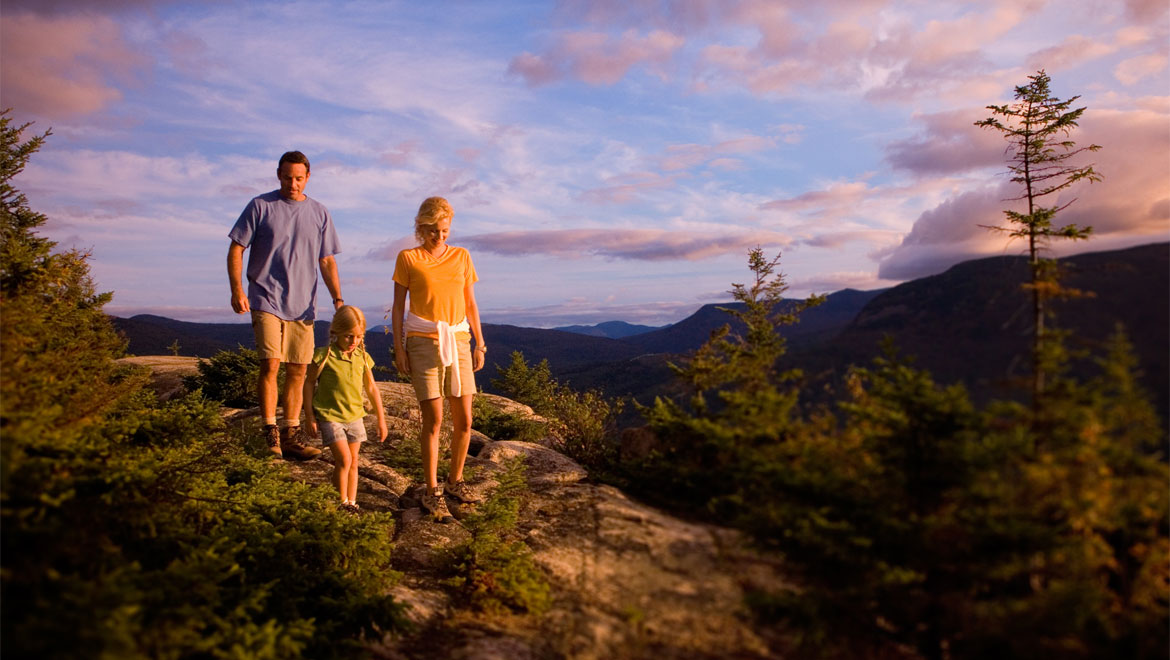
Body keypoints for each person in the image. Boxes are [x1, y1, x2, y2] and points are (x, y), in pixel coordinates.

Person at [227, 150, 342, 460]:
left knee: (298, 370)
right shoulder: (260, 206)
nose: (293, 184)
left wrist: (338, 300)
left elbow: (327, 261)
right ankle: (271, 434)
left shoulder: (319, 212)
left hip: (303, 304)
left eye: (299, 178)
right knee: (271, 363)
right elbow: (237, 248)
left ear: (307, 178)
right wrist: (238, 289)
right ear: (279, 175)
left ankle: (291, 433)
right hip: (265, 296)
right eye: (288, 177)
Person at [391, 196, 486, 523]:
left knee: (465, 420)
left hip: (459, 340)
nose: (439, 236)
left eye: (444, 230)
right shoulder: (408, 258)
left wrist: (480, 343)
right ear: (421, 228)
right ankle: (432, 490)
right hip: (422, 341)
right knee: (433, 418)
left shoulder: (462, 256)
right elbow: (398, 309)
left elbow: (470, 303)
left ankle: (455, 481)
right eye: (432, 230)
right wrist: (399, 348)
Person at [303, 305, 388, 509]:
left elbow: (372, 388)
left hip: (355, 416)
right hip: (330, 415)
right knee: (344, 459)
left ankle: (351, 502)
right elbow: (308, 384)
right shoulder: (324, 355)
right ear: (336, 333)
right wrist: (309, 416)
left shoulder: (362, 358)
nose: (354, 342)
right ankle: (343, 505)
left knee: (353, 461)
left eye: (359, 337)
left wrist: (381, 419)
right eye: (349, 336)